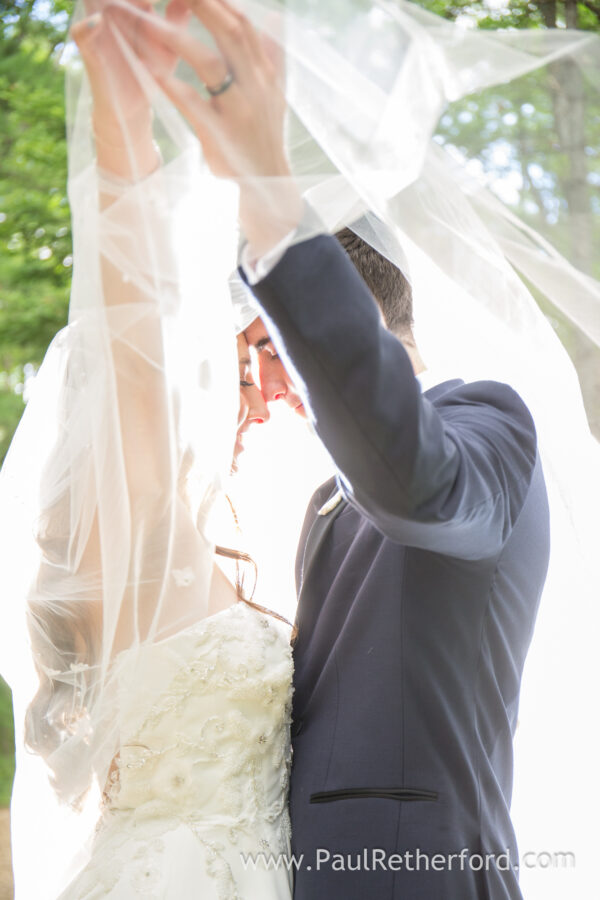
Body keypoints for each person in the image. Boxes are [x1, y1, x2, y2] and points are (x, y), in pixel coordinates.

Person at [137, 2, 552, 898]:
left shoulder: (491, 424)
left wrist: (271, 201)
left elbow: (413, 480)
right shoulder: (327, 501)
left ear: (344, 317)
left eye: (268, 347)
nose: (267, 388)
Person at [1, 4, 296, 898]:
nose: (253, 403)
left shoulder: (164, 545)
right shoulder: (145, 526)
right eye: (236, 377)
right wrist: (119, 112)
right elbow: (133, 309)